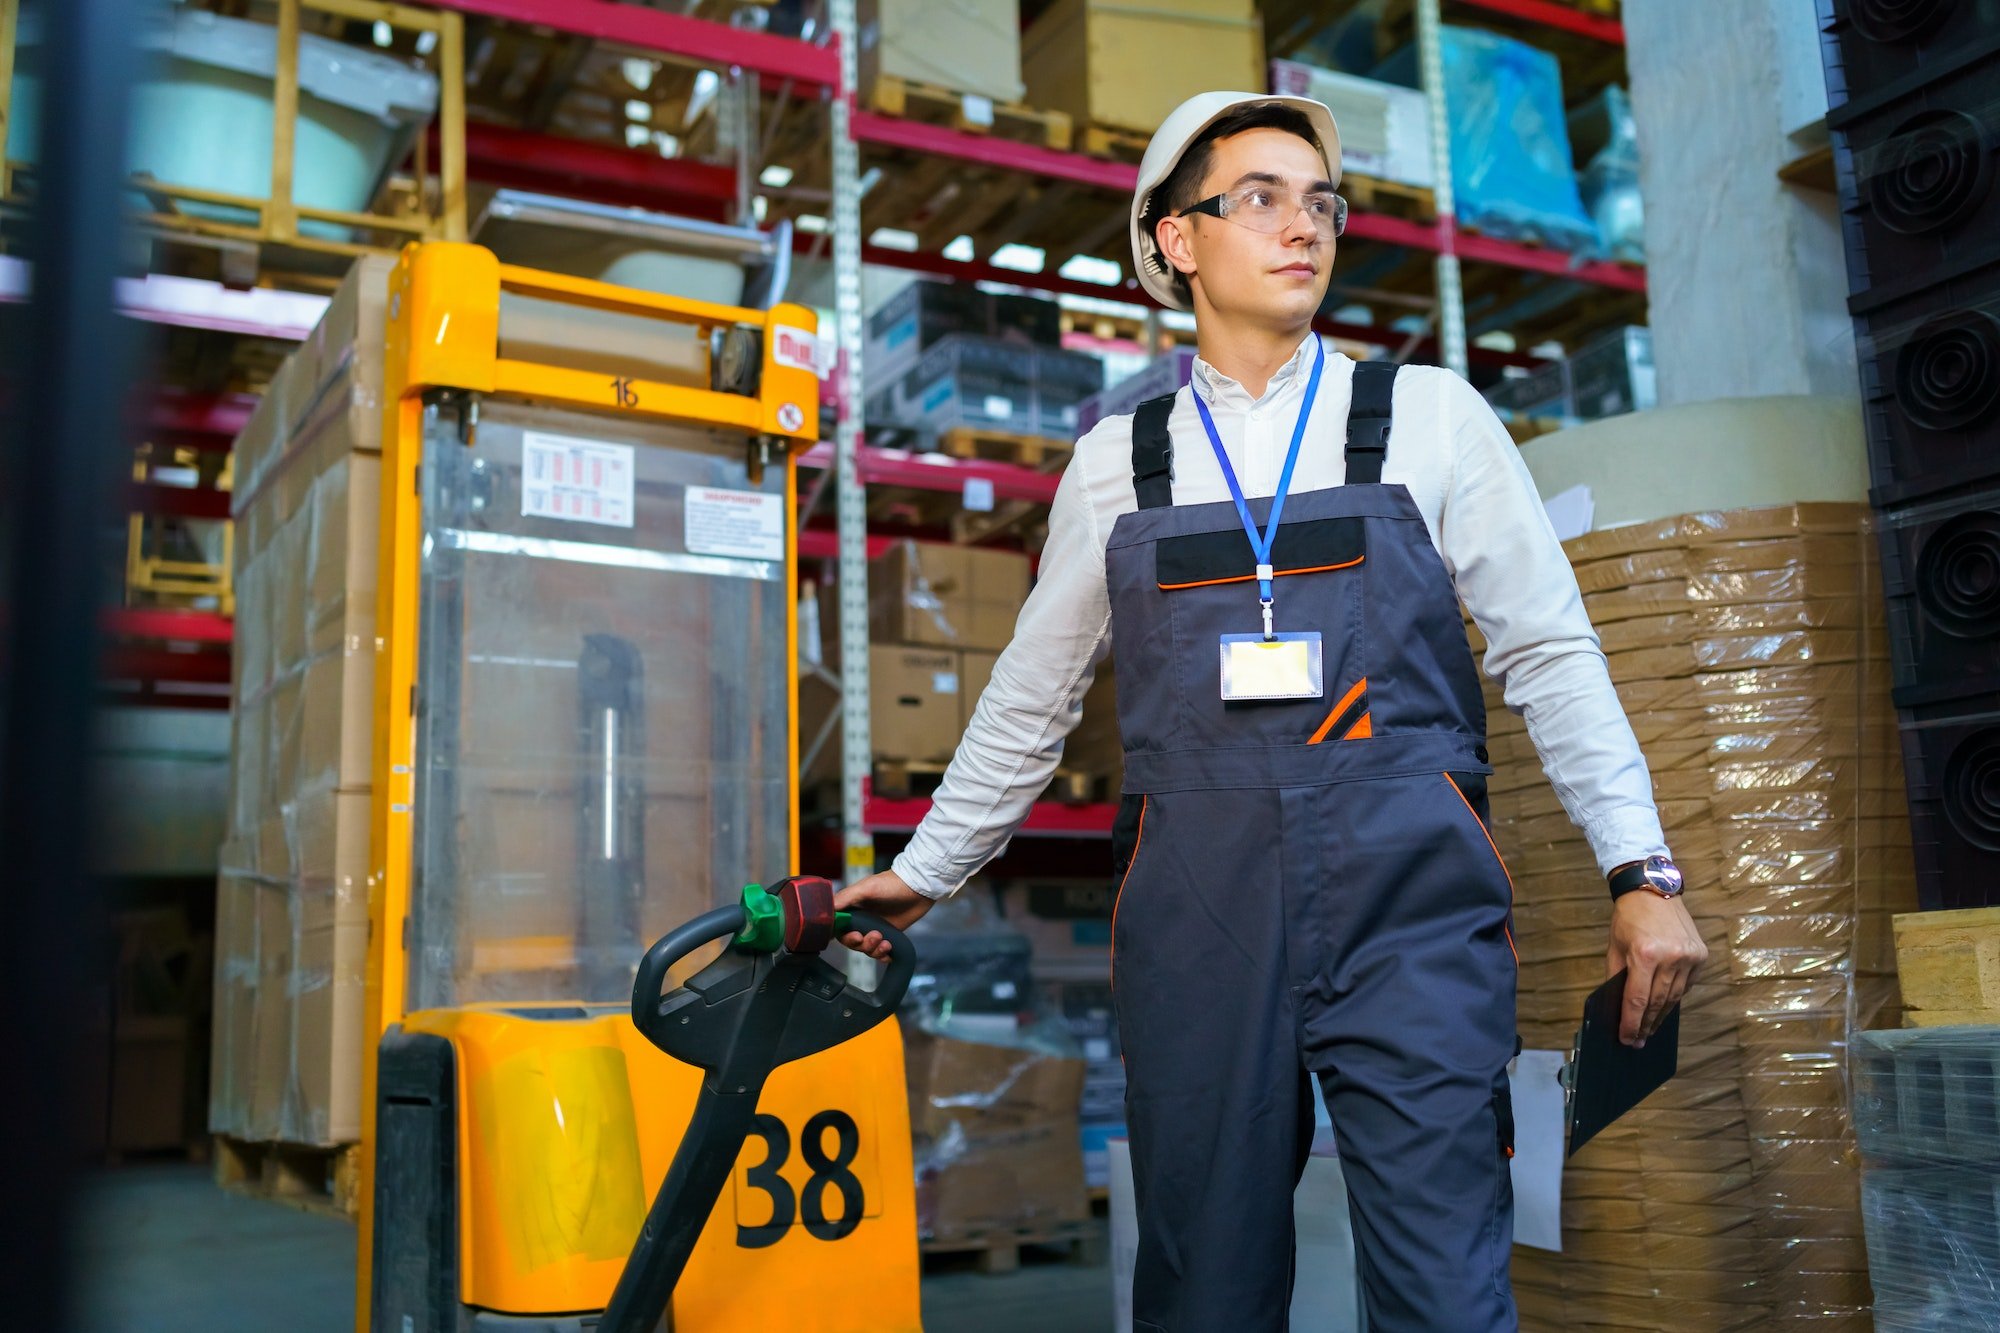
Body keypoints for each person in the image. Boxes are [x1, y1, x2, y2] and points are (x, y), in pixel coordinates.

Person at [836, 91, 1708, 1331]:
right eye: (1257, 197)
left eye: (1319, 203)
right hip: (1201, 920)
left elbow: (1549, 654)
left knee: (1448, 1293)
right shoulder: (1118, 460)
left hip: (1409, 914)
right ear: (1173, 241)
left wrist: (1641, 865)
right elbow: (1029, 697)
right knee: (1205, 1289)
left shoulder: (1425, 419)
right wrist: (925, 870)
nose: (1301, 226)